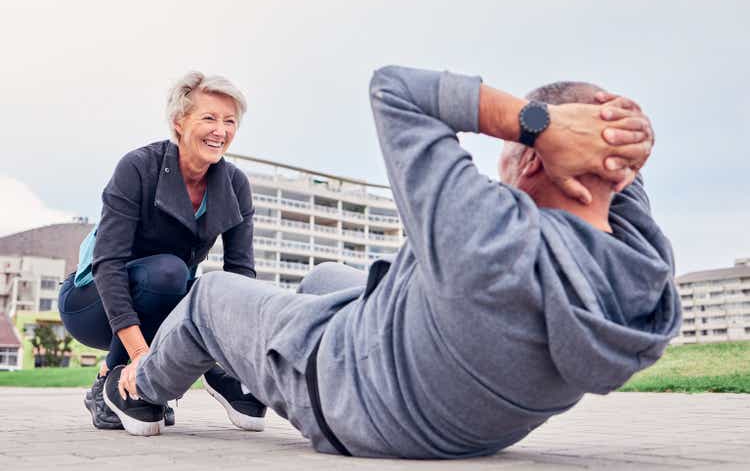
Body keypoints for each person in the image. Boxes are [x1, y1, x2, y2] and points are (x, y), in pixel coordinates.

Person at [102, 66, 680, 459]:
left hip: (352, 400)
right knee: (326, 277)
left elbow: (396, 89)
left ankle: (138, 390)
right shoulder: (640, 272)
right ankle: (242, 368)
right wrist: (618, 134)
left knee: (209, 294)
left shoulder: (488, 232)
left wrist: (537, 124)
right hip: (466, 417)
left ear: (534, 160)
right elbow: (619, 182)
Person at [57, 72, 266, 431]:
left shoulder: (234, 184)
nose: (221, 130)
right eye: (209, 118)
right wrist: (140, 355)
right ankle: (112, 378)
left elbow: (240, 275)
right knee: (168, 273)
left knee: (208, 293)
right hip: (92, 301)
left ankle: (216, 373)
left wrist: (234, 356)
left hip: (161, 299)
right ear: (179, 122)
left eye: (230, 121)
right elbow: (108, 265)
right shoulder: (138, 167)